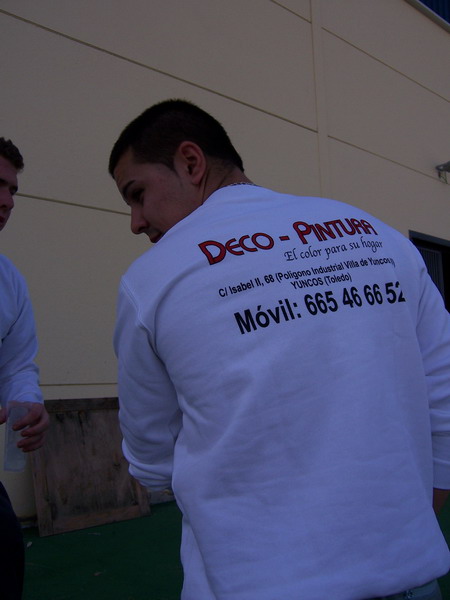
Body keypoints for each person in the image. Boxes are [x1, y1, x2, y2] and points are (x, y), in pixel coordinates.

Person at [109, 99, 450, 600]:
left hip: (253, 581)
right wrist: (412, 523)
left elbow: (152, 459)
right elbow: (443, 395)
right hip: (409, 576)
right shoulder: (380, 238)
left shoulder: (152, 281)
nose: (136, 222)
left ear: (191, 162)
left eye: (137, 194)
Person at [0, 138, 49, 600]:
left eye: (12, 190)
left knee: (7, 555)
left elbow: (18, 364)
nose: (8, 201)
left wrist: (28, 403)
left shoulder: (9, 281)